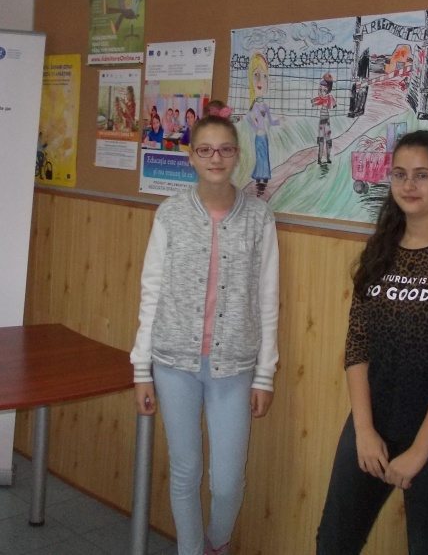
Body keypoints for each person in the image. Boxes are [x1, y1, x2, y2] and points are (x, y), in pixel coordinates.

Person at [316, 130, 428, 555]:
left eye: (422, 175)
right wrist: (363, 430)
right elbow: (357, 343)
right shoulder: (381, 248)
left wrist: (419, 452)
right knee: (333, 541)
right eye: (400, 175)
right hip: (374, 422)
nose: (409, 185)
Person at [131, 102, 279, 555]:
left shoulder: (259, 217)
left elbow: (268, 297)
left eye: (225, 150)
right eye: (205, 150)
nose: (216, 159)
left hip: (233, 366)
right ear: (191, 157)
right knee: (185, 470)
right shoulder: (171, 214)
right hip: (172, 361)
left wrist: (264, 374)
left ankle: (218, 542)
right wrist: (141, 368)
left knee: (228, 480)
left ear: (237, 156)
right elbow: (150, 290)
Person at [246, 52, 279, 196]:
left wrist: (279, 121)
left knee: (264, 157)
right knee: (260, 157)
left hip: (264, 137)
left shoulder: (265, 106)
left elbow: (271, 121)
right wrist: (256, 127)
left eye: (264, 76)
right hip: (259, 136)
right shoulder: (254, 106)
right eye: (256, 75)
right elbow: (249, 119)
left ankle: (263, 178)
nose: (260, 81)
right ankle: (260, 179)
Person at [311, 72, 336, 165]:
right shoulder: (325, 98)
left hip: (325, 120)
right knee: (321, 139)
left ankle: (327, 158)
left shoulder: (329, 97)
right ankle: (320, 159)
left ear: (327, 90)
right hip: (323, 120)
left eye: (323, 90)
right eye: (320, 90)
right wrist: (315, 101)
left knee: (327, 139)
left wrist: (315, 102)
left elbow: (329, 104)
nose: (321, 92)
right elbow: (319, 100)